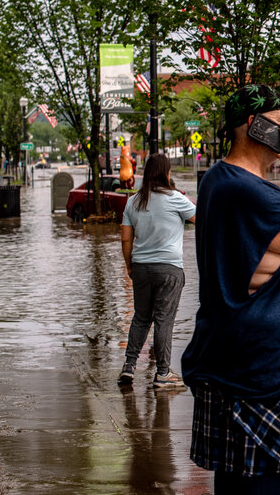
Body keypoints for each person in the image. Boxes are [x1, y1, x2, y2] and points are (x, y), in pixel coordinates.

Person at [182, 84, 280, 494]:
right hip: (269, 383)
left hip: (256, 372)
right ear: (255, 126)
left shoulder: (219, 178)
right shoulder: (250, 192)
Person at [117, 153, 196, 388]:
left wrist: (129, 265)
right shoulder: (176, 199)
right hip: (169, 269)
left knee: (141, 317)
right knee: (163, 320)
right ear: (166, 173)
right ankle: (162, 373)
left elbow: (125, 240)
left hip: (141, 267)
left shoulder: (133, 201)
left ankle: (129, 366)